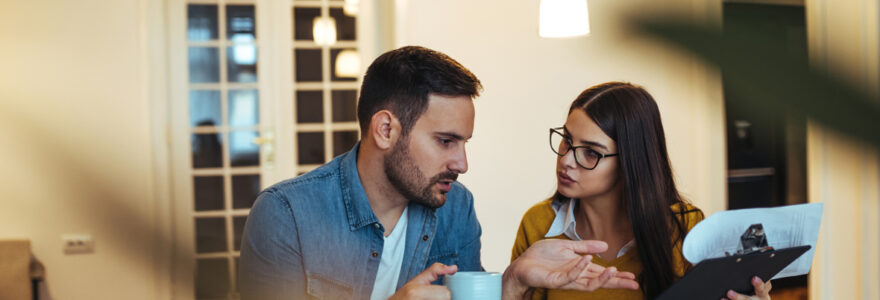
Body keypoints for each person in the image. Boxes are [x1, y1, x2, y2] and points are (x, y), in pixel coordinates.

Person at [239, 47, 639, 300]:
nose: (462, 164)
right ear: (385, 130)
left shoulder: (455, 206)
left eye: (465, 143)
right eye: (446, 142)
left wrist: (515, 281)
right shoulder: (286, 214)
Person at [511, 82, 773, 300]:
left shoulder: (685, 226)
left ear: (630, 161)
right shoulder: (538, 225)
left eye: (591, 152)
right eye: (566, 140)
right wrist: (513, 280)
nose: (566, 159)